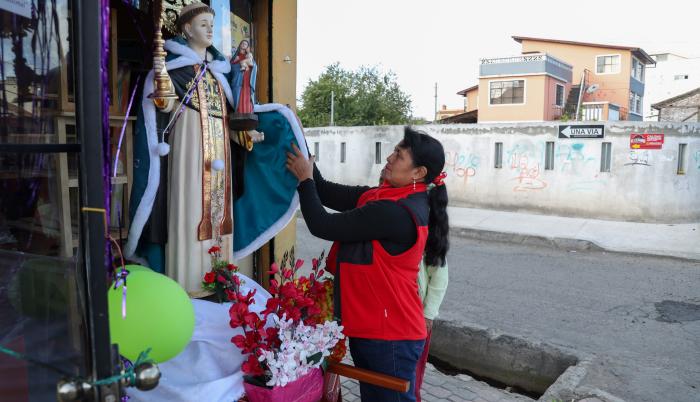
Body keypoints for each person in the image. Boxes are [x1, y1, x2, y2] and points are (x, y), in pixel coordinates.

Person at [286, 127, 449, 402]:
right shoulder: (383, 197)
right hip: (374, 329)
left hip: (391, 336)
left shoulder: (395, 212)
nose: (389, 157)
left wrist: (304, 180)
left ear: (418, 173)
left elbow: (322, 224)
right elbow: (325, 192)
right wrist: (305, 158)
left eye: (399, 155)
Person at [126, 3, 244, 296]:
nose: (209, 30)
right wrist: (162, 89)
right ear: (187, 29)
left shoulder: (219, 73)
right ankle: (190, 284)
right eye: (203, 24)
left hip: (220, 150)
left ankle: (219, 275)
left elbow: (232, 110)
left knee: (219, 211)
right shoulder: (173, 68)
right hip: (190, 148)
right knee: (191, 207)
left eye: (211, 25)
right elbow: (162, 105)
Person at [414, 259, 449, 402]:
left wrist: (428, 315)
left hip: (416, 317)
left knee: (411, 376)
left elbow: (440, 277)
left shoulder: (431, 237)